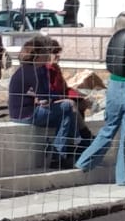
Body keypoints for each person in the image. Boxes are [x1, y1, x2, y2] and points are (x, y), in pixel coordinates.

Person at [76, 7, 125, 186]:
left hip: (114, 86)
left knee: (108, 128)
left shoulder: (114, 43)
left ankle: (84, 162)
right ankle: (122, 177)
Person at [8, 38, 77, 166]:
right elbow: (44, 97)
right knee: (67, 107)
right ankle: (62, 154)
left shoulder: (24, 69)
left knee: (65, 116)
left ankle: (62, 154)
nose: (48, 55)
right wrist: (63, 99)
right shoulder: (33, 72)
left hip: (18, 113)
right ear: (38, 55)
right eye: (45, 52)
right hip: (27, 115)